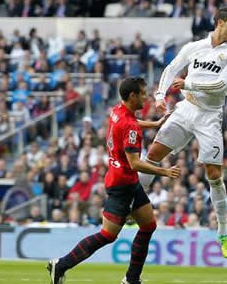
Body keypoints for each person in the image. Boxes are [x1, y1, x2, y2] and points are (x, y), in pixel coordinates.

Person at [47, 77, 181, 284]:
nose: (146, 98)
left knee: (148, 226)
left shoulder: (117, 111)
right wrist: (164, 172)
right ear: (132, 96)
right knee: (107, 235)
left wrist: (153, 123)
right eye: (143, 94)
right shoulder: (130, 126)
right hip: (122, 187)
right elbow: (135, 163)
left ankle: (131, 279)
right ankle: (61, 265)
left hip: (127, 182)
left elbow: (130, 123)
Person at [138, 6, 227, 259]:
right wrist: (160, 96)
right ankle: (134, 207)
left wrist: (188, 83)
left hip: (210, 116)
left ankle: (222, 232)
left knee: (214, 175)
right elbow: (171, 68)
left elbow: (221, 85)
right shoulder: (194, 47)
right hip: (186, 108)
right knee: (153, 153)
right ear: (219, 22)